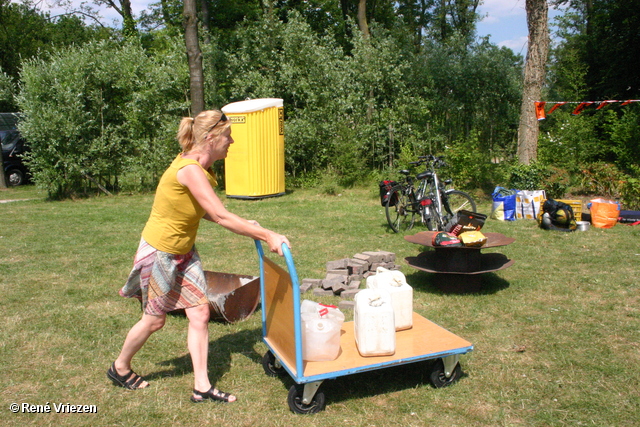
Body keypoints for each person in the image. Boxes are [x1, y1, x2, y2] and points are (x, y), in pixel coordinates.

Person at [107, 110, 290, 403]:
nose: (231, 141)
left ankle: (201, 387)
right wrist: (267, 235)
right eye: (227, 135)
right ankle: (120, 367)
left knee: (201, 313)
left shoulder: (198, 166)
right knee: (154, 321)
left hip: (183, 253)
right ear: (210, 138)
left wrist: (249, 225)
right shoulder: (189, 169)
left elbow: (201, 209)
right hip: (160, 254)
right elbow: (219, 214)